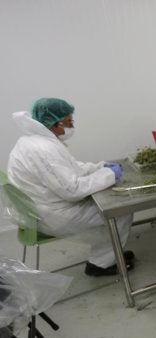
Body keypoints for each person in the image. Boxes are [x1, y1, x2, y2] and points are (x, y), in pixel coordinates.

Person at [7, 98, 134, 276]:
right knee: (120, 211)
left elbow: (71, 168)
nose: (72, 126)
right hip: (54, 215)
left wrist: (99, 167)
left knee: (112, 208)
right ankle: (101, 264)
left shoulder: (33, 141)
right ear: (55, 123)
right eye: (69, 122)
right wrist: (109, 175)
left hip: (42, 208)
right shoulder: (44, 149)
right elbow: (72, 190)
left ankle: (109, 253)